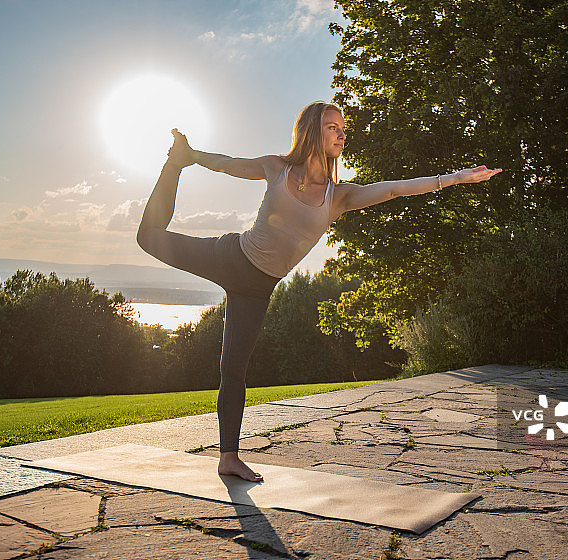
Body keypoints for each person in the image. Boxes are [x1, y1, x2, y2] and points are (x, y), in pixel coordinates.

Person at [137, 101, 501, 482]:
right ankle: (173, 164)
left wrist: (455, 178)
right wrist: (191, 156)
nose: (342, 135)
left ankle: (228, 458)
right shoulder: (276, 168)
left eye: (343, 129)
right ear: (312, 131)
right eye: (333, 127)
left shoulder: (338, 196)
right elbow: (228, 164)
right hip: (231, 256)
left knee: (233, 369)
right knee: (148, 237)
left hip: (257, 291)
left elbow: (394, 190)